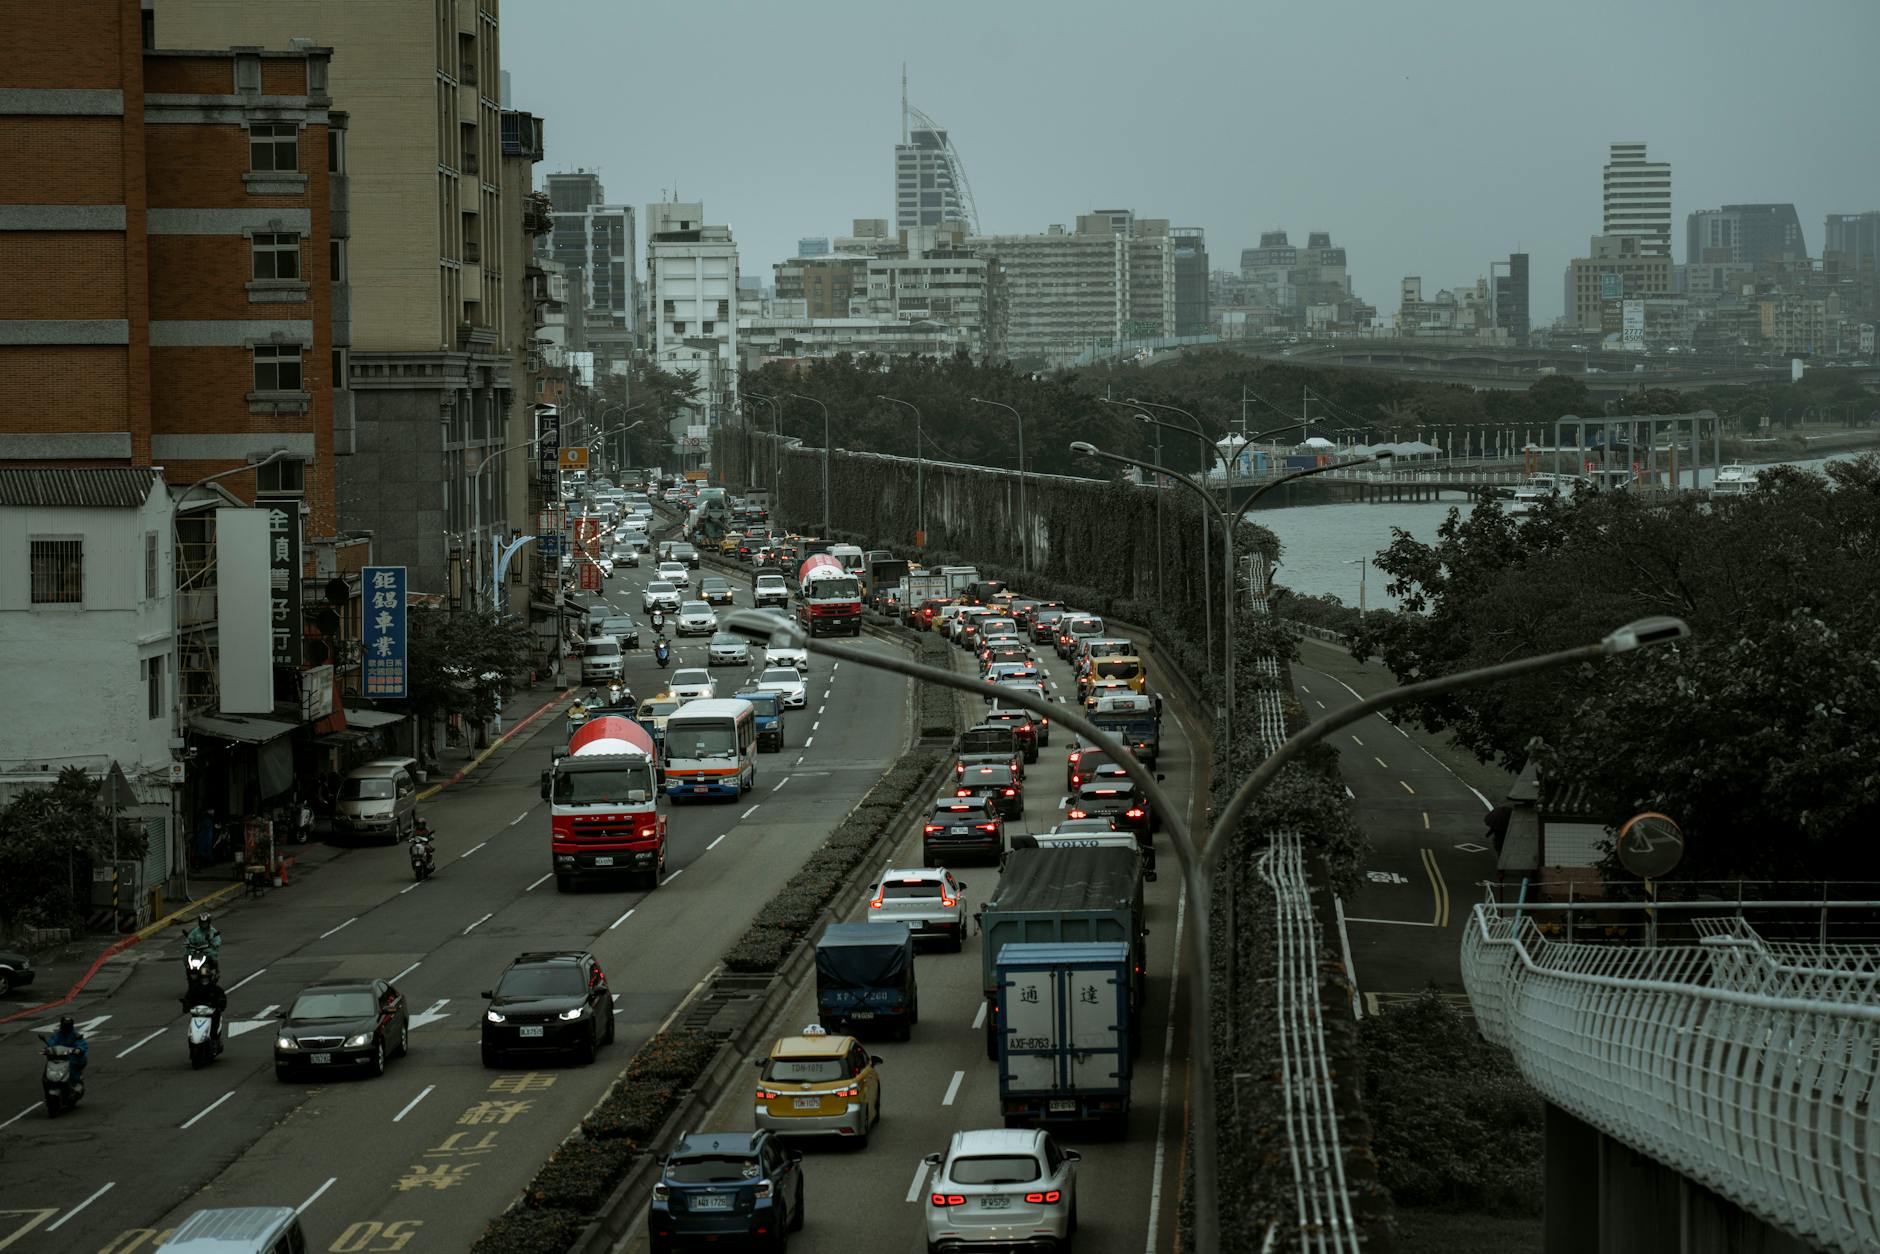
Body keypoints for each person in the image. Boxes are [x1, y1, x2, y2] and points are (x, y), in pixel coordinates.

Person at [180, 978, 229, 1053]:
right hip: (197, 1012)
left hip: (211, 1012)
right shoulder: (195, 989)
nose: (204, 981)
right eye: (203, 978)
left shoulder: (215, 989)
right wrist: (186, 1004)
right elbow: (188, 997)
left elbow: (222, 997)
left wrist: (220, 1004)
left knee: (215, 1020)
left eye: (206, 979)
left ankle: (214, 1040)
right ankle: (193, 1039)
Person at [46, 1014, 88, 1082]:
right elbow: (52, 1041)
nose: (66, 1027)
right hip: (60, 1057)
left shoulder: (76, 1035)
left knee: (72, 1071)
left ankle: (77, 1080)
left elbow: (81, 1044)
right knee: (50, 1065)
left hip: (73, 1057)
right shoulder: (58, 1034)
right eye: (65, 1025)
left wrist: (79, 1049)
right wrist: (48, 1047)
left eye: (68, 1025)